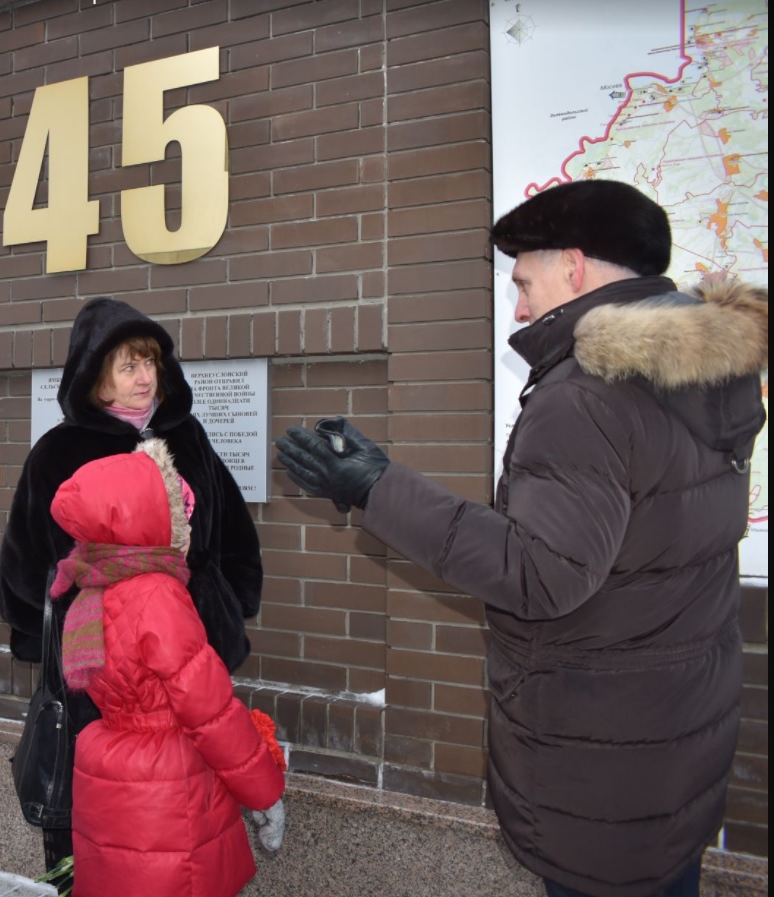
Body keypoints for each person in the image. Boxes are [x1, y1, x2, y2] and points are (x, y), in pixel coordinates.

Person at [275, 180, 767, 897]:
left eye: (523, 280)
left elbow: (540, 574)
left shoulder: (587, 395)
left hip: (598, 766)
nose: (517, 307)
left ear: (573, 266)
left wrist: (376, 485)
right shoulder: (710, 379)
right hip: (672, 747)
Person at [0, 296, 265, 873]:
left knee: (188, 806)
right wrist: (46, 644)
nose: (146, 377)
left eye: (150, 363)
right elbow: (23, 561)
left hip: (190, 656)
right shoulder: (59, 452)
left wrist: (229, 604)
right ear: (97, 380)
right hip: (104, 677)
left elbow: (233, 527)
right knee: (104, 822)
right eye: (128, 366)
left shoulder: (187, 437)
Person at [49, 440, 285, 897]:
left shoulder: (91, 589)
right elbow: (207, 710)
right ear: (149, 517)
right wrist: (264, 790)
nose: (189, 526)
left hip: (112, 774)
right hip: (166, 790)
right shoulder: (157, 595)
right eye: (180, 512)